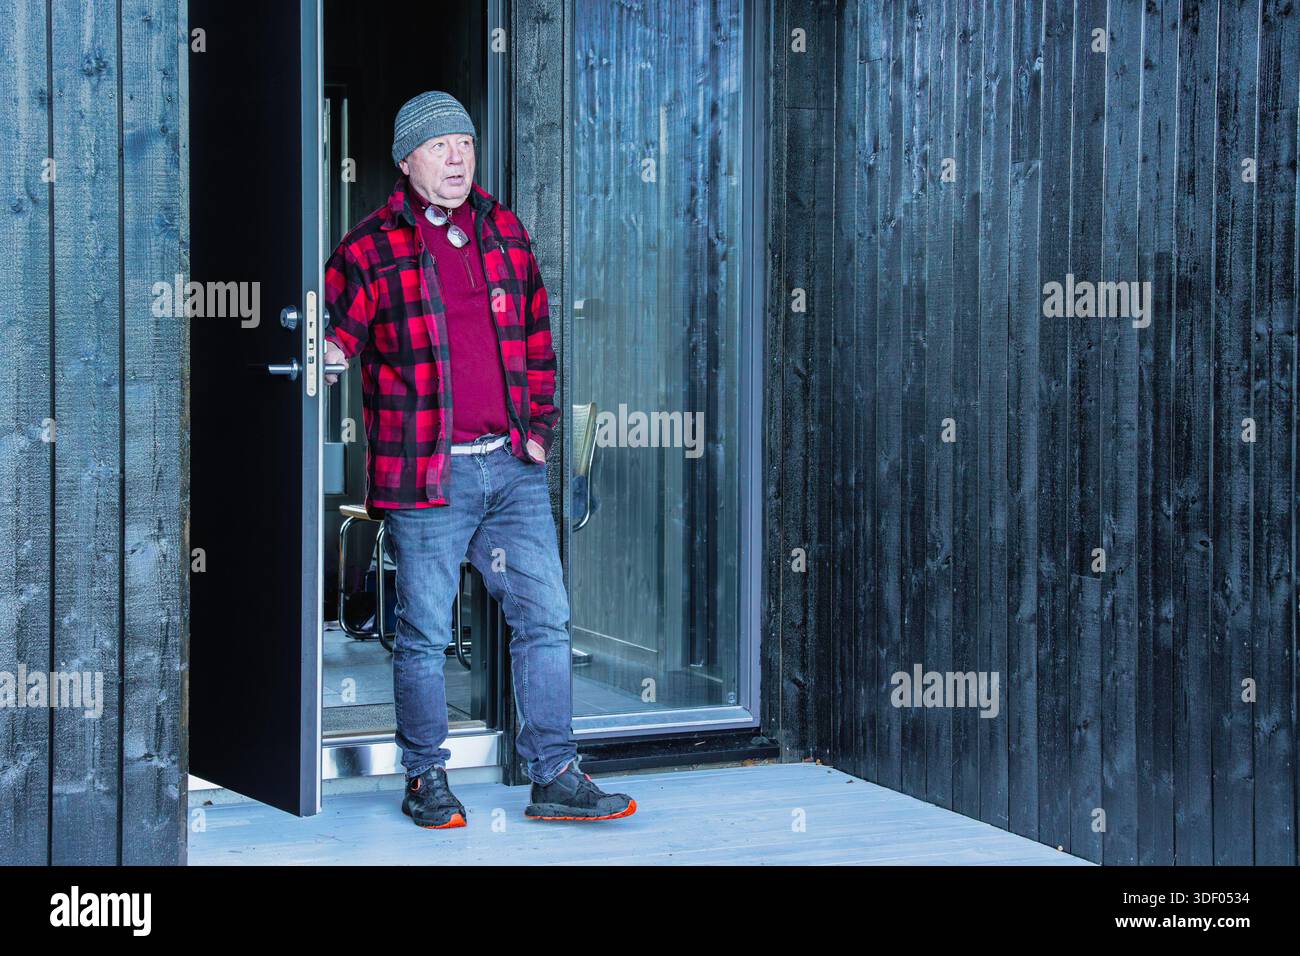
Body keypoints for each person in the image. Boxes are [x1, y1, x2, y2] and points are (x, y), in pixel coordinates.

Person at [322, 91, 635, 828]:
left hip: (511, 470)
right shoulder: (370, 247)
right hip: (428, 473)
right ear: (407, 161)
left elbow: (537, 342)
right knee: (425, 632)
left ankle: (554, 774)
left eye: (464, 142)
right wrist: (329, 355)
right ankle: (427, 778)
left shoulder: (504, 232)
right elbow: (332, 336)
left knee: (546, 619)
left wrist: (540, 434)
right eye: (439, 146)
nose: (457, 156)